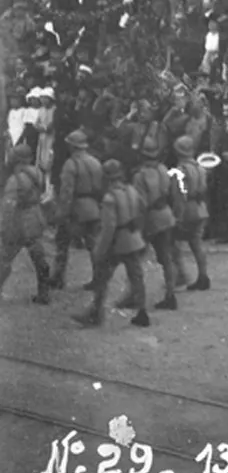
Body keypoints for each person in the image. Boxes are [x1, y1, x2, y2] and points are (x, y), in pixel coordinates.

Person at [72, 161, 149, 328]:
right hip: (133, 239)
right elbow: (143, 209)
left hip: (117, 243)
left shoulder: (110, 198)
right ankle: (142, 311)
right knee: (137, 277)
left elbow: (109, 228)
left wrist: (100, 250)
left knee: (102, 278)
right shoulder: (132, 191)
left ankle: (95, 312)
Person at [130, 135, 182, 311]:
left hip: (150, 219)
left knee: (135, 260)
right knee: (166, 257)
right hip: (166, 215)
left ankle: (134, 297)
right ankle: (170, 294)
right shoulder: (163, 169)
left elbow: (141, 203)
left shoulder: (140, 175)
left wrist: (136, 225)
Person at [49, 130, 102, 290]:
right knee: (94, 246)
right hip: (93, 208)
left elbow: (66, 193)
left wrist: (61, 214)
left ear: (71, 146)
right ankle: (99, 278)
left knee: (62, 244)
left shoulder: (70, 165)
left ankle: (58, 278)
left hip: (75, 210)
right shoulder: (95, 162)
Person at [0, 145, 52, 304]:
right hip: (36, 218)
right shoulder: (38, 173)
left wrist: (2, 226)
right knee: (40, 260)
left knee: (4, 259)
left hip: (19, 223)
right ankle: (44, 294)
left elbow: (8, 207)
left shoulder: (14, 180)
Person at [170, 136, 212, 291]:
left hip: (187, 210)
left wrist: (177, 217)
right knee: (197, 244)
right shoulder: (201, 167)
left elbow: (179, 196)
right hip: (201, 208)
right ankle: (203, 276)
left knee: (173, 245)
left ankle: (180, 276)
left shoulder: (179, 171)